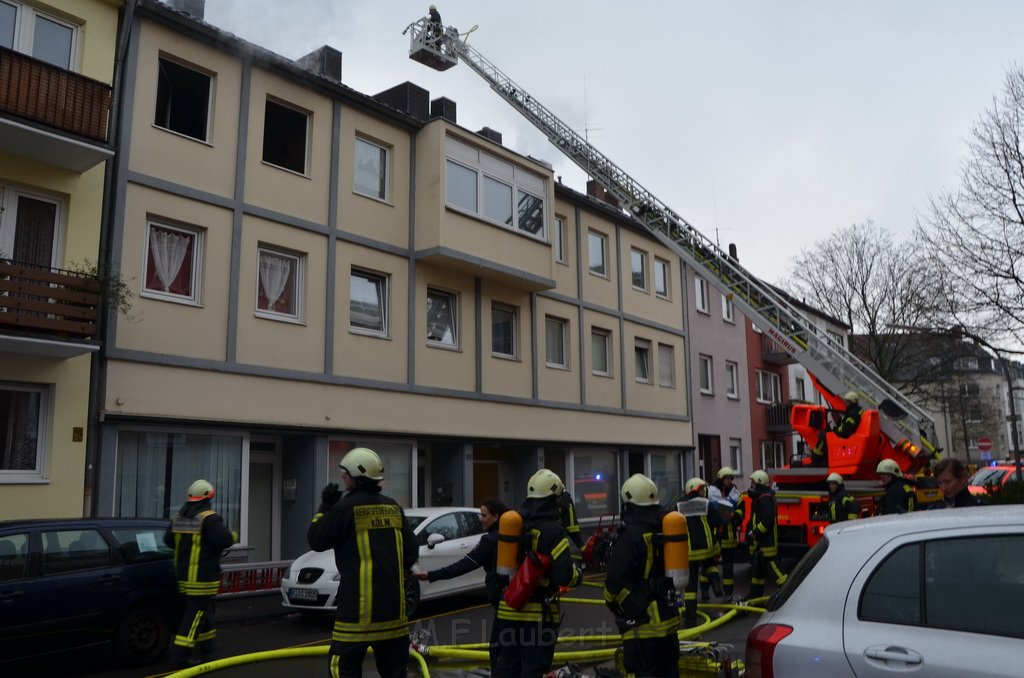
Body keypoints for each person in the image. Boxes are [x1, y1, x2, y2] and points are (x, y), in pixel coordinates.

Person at [307, 447, 419, 678]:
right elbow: (411, 553)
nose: (342, 477)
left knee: (342, 668)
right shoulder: (393, 507)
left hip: (356, 617)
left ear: (356, 477)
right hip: (394, 615)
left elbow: (316, 539)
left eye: (345, 473)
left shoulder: (344, 508)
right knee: (395, 672)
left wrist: (325, 507)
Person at [492, 468, 582, 677]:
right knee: (534, 669)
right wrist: (579, 576)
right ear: (554, 499)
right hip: (538, 616)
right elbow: (564, 576)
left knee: (507, 665)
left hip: (507, 609)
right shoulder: (553, 531)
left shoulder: (514, 524)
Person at [413, 498, 507, 673]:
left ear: (496, 516)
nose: (480, 519)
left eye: (484, 515)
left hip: (503, 603)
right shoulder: (512, 537)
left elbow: (464, 565)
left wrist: (431, 575)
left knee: (498, 651)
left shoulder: (489, 542)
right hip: (519, 601)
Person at [602, 474, 679, 678]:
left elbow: (613, 583)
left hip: (644, 628)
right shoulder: (665, 527)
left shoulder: (632, 536)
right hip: (668, 620)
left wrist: (621, 606)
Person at [164, 479, 237, 668]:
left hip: (183, 577)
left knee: (203, 612)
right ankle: (180, 658)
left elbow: (169, 541)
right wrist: (234, 536)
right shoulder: (209, 518)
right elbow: (224, 540)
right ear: (207, 497)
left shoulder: (179, 517)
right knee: (194, 616)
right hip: (202, 578)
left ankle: (208, 646)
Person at [679, 477, 722, 626]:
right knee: (710, 564)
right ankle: (715, 581)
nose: (704, 491)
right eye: (702, 489)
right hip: (708, 548)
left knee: (690, 586)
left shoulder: (678, 506)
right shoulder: (706, 503)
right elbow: (717, 520)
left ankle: (690, 616)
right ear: (696, 489)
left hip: (690, 551)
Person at [746, 470, 787, 600]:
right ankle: (755, 595)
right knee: (758, 570)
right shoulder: (760, 497)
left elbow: (768, 520)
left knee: (773, 568)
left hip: (766, 542)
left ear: (758, 483)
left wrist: (755, 532)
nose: (751, 485)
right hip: (760, 542)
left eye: (752, 482)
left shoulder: (765, 499)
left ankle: (788, 591)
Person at [708, 467, 743, 599]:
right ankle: (707, 591)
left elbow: (740, 508)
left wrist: (736, 516)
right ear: (721, 479)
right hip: (715, 535)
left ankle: (728, 592)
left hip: (729, 536)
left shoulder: (735, 493)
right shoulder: (712, 492)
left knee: (728, 567)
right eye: (727, 478)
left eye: (731, 478)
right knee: (709, 563)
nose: (730, 481)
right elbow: (713, 511)